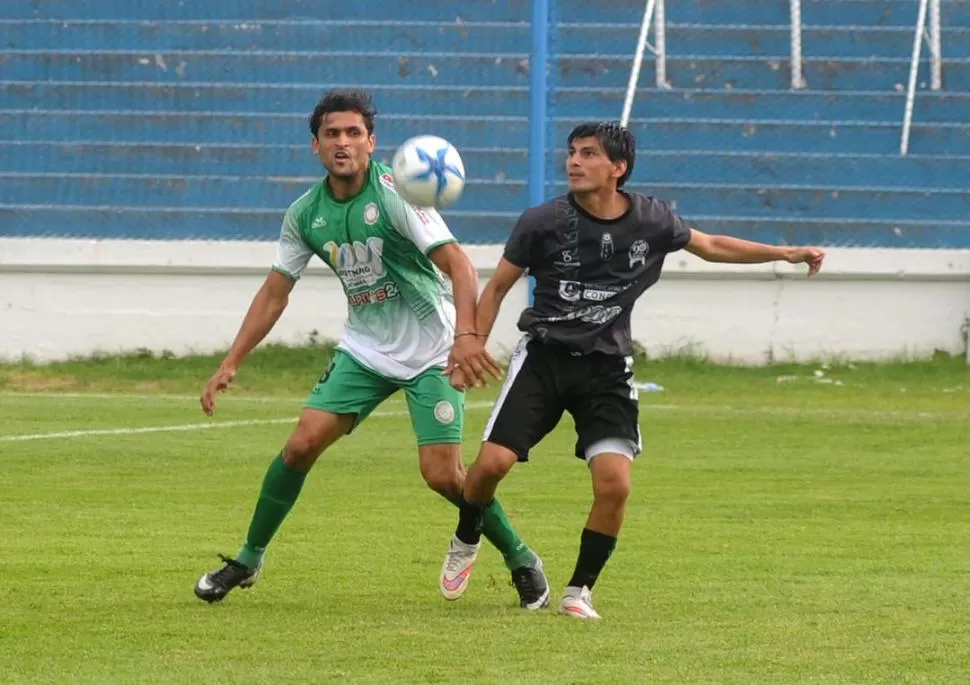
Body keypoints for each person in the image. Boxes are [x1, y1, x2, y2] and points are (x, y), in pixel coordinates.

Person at [439, 121, 825, 619]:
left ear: (617, 169)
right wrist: (471, 342)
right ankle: (468, 531)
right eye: (572, 153)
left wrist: (786, 254)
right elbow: (494, 289)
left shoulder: (652, 219)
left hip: (607, 369)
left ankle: (579, 591)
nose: (574, 162)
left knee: (616, 484)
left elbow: (710, 245)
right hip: (544, 361)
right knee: (490, 466)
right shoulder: (542, 221)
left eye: (589, 154)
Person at [194, 88, 549, 610]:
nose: (343, 143)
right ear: (315, 145)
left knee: (443, 477)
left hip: (432, 351)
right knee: (300, 446)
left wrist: (465, 337)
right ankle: (248, 559)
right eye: (332, 134)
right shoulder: (304, 214)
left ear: (371, 142)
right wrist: (231, 361)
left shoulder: (396, 194)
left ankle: (521, 558)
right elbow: (276, 290)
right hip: (366, 351)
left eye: (354, 133)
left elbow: (460, 265)